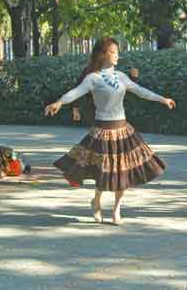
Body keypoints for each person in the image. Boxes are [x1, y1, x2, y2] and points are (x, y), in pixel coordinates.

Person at [45, 37, 176, 225]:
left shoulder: (121, 76)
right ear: (102, 54)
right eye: (113, 52)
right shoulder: (93, 78)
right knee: (104, 172)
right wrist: (59, 102)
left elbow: (140, 90)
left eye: (117, 52)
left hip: (123, 130)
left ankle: (116, 210)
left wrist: (162, 99)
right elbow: (75, 92)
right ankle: (96, 201)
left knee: (122, 173)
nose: (117, 56)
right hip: (102, 131)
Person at [71, 67, 139, 126]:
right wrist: (75, 109)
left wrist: (133, 78)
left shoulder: (116, 70)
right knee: (100, 132)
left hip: (113, 106)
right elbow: (78, 88)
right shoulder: (90, 69)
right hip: (93, 106)